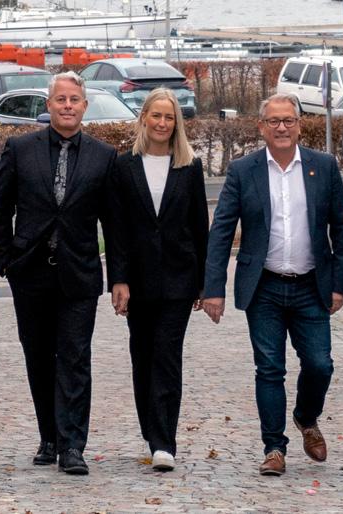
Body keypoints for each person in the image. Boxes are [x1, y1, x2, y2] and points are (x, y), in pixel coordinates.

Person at [201, 93, 343, 476]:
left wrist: (339, 284)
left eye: (289, 120)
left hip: (311, 285)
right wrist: (213, 288)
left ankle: (306, 416)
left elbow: (342, 227)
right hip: (264, 287)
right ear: (261, 127)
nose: (282, 127)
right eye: (274, 121)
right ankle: (274, 448)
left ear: (299, 125)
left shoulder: (323, 166)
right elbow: (221, 231)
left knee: (320, 364)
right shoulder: (243, 170)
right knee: (269, 368)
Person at [0, 71, 117, 475]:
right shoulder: (20, 148)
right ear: (48, 105)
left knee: (75, 358)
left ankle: (72, 444)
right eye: (60, 99)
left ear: (84, 106)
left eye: (74, 100)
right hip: (30, 272)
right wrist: (3, 256)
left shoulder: (103, 156)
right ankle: (49, 436)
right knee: (39, 356)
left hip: (79, 273)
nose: (67, 106)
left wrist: (119, 276)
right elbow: (0, 206)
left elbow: (114, 224)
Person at [108, 88, 209, 472]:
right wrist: (118, 279)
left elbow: (199, 227)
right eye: (156, 116)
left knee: (167, 356)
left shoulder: (190, 166)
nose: (162, 123)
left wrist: (205, 282)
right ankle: (151, 431)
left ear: (176, 123)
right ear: (144, 118)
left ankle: (164, 441)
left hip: (179, 279)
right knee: (143, 355)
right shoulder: (124, 167)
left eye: (169, 117)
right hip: (137, 280)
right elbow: (116, 229)